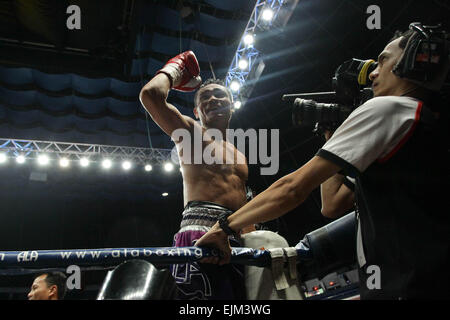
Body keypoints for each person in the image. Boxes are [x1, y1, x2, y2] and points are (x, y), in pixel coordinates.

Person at [195, 24, 450, 299]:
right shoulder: (425, 121)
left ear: (411, 60)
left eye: (384, 60)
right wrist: (333, 134)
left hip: (408, 286)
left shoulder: (389, 109)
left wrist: (224, 226)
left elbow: (293, 188)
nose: (373, 72)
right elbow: (333, 203)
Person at [139, 51, 248, 299]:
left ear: (231, 104)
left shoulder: (239, 155)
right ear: (197, 112)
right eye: (205, 97)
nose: (213, 99)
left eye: (219, 95)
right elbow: (151, 96)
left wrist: (253, 238)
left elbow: (242, 202)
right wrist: (175, 70)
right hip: (199, 234)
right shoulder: (191, 133)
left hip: (235, 240)